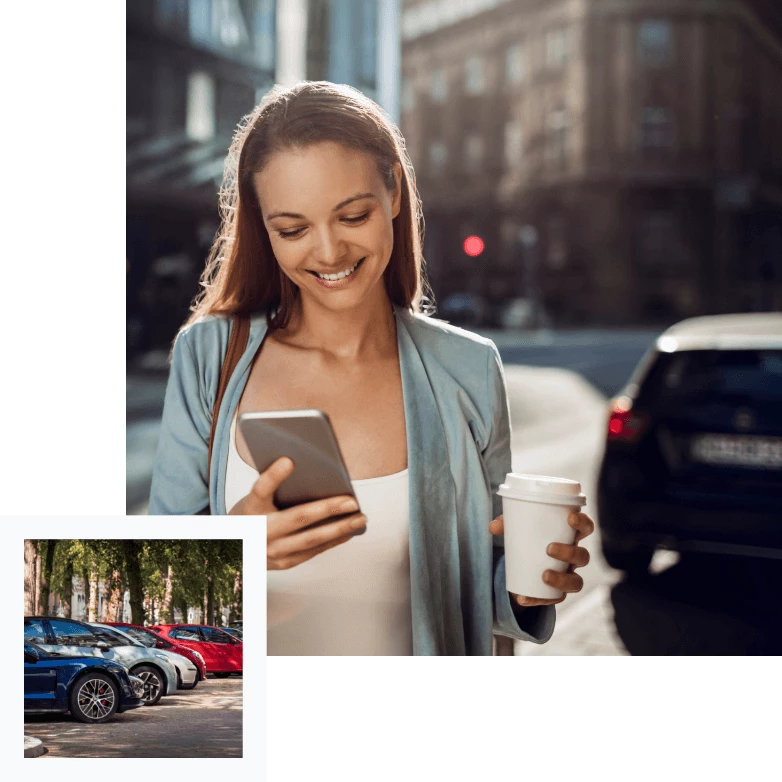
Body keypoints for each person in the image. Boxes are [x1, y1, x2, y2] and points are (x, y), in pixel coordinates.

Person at [149, 81, 594, 656]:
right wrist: (235, 550)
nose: (329, 252)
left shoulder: (469, 369)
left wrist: (530, 590)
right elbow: (151, 579)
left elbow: (480, 589)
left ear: (394, 193)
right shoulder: (210, 356)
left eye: (352, 215)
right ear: (263, 228)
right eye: (293, 229)